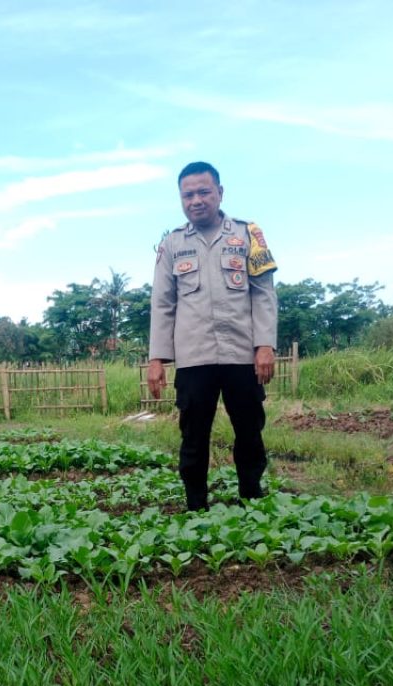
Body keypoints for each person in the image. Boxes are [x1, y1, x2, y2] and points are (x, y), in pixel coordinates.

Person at [148, 161, 278, 511]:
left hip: (241, 355)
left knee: (249, 429)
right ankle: (195, 505)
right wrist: (156, 359)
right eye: (188, 194)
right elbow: (162, 304)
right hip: (194, 358)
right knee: (193, 435)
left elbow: (263, 293)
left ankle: (251, 495)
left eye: (204, 192)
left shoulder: (249, 235)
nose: (196, 200)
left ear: (220, 193)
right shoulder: (172, 244)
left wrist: (264, 344)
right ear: (181, 199)